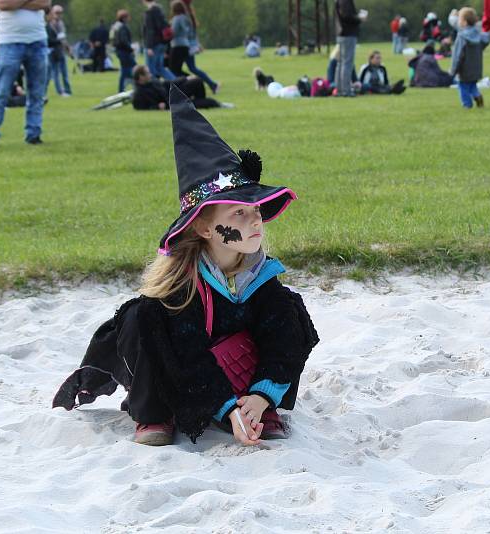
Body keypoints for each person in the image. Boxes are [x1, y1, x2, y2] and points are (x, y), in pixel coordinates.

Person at [53, 86, 319, 447]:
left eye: (256, 210)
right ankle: (154, 413)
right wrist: (226, 410)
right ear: (204, 227)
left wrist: (259, 398)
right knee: (141, 317)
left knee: (288, 311)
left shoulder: (261, 276)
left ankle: (257, 407)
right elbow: (188, 354)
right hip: (183, 375)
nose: (255, 220)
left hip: (241, 382)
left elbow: (281, 342)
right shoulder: (185, 285)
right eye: (238, 212)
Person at [0, 0, 49, 148]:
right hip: (10, 41)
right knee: (1, 90)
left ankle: (34, 134)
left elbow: (46, 3)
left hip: (37, 39)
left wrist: (15, 3)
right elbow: (3, 5)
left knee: (37, 92)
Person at [131, 64, 226, 110]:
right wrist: (157, 107)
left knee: (197, 81)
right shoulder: (139, 93)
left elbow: (168, 83)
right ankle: (216, 104)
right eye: (147, 73)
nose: (150, 74)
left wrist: (185, 78)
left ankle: (201, 101)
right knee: (206, 102)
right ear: (141, 77)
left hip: (173, 92)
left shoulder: (152, 81)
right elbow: (140, 107)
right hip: (172, 102)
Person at [450, 7, 490, 108]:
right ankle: (477, 96)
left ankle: (467, 105)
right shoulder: (479, 35)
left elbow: (457, 55)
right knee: (472, 85)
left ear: (464, 22)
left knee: (463, 86)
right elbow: (486, 39)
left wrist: (453, 70)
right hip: (476, 68)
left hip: (464, 69)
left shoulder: (462, 37)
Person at [180, 0, 219, 94]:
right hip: (190, 45)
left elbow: (187, 32)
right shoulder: (189, 14)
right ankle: (211, 84)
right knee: (191, 68)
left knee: (183, 68)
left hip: (186, 46)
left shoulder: (184, 16)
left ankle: (209, 83)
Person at [335, 0, 366, 97]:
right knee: (347, 63)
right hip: (348, 33)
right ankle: (346, 90)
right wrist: (360, 18)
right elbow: (347, 17)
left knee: (341, 63)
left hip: (341, 33)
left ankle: (340, 89)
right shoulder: (346, 1)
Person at [142, 0, 174, 80]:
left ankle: (155, 89)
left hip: (153, 44)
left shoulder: (150, 12)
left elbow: (150, 30)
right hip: (162, 43)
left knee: (150, 70)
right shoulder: (160, 11)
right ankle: (178, 84)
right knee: (160, 68)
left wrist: (149, 47)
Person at [46, 6, 71, 97]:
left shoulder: (61, 24)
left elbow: (63, 38)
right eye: (57, 13)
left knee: (64, 72)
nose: (59, 15)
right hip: (52, 51)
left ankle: (67, 90)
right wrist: (59, 41)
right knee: (54, 72)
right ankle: (60, 91)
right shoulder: (49, 25)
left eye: (60, 13)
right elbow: (49, 40)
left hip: (60, 50)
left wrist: (67, 47)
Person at [110, 9, 135, 92]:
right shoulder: (123, 27)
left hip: (118, 50)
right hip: (124, 51)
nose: (129, 18)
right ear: (124, 18)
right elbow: (124, 40)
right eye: (128, 17)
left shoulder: (115, 26)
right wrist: (131, 48)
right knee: (128, 70)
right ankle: (122, 90)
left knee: (126, 70)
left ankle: (124, 88)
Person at [169, 1, 192, 76]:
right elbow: (188, 31)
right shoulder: (185, 18)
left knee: (173, 69)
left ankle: (190, 80)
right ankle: (190, 80)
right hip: (185, 44)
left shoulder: (176, 18)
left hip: (177, 45)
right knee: (178, 68)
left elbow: (173, 32)